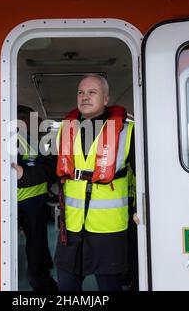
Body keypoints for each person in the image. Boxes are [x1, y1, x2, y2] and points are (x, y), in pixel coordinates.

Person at [55, 74, 139, 291]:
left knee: (109, 287)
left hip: (109, 229)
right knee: (66, 286)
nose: (84, 97)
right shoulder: (64, 132)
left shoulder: (127, 132)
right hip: (71, 227)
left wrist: (141, 209)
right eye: (80, 92)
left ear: (105, 99)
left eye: (92, 92)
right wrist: (22, 175)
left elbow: (147, 177)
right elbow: (50, 168)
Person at [11, 105, 57, 291]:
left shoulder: (40, 143)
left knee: (36, 247)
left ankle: (42, 283)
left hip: (33, 203)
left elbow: (50, 170)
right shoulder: (3, 141)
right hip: (15, 205)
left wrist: (25, 175)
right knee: (31, 247)